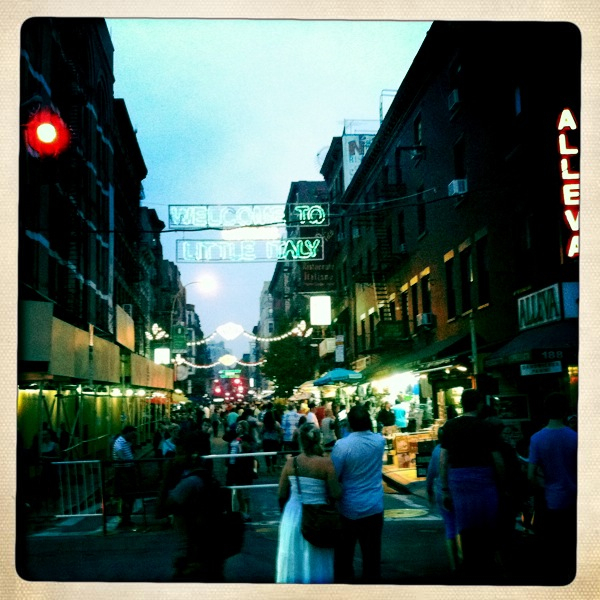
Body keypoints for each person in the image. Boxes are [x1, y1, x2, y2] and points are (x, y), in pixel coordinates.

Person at [439, 389, 505, 582]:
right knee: (488, 527)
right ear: (479, 404)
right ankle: (488, 567)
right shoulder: (486, 427)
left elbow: (443, 459)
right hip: (485, 480)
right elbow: (497, 459)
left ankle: (469, 568)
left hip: (458, 481)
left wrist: (445, 488)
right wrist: (502, 485)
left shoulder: (450, 426)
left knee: (466, 528)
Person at [276, 423, 342, 583]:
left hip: (294, 514)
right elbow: (336, 494)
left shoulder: (291, 463)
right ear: (318, 439)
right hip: (319, 515)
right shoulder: (326, 463)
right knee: (317, 558)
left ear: (300, 441)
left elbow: (281, 493)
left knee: (294, 555)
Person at [331, 404, 386, 583]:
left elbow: (334, 474)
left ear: (349, 423)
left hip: (349, 507)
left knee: (344, 557)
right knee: (372, 557)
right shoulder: (379, 441)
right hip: (374, 505)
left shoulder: (342, 445)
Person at [527, 392, 577, 584]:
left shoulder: (537, 439)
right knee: (571, 545)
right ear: (565, 410)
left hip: (550, 501)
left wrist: (543, 487)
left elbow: (531, 475)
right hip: (574, 499)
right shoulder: (574, 437)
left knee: (552, 546)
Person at [426, 428, 459, 572]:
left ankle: (454, 565)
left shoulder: (436, 451)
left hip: (442, 491)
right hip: (458, 490)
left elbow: (431, 473)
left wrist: (429, 490)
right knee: (461, 525)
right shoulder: (458, 449)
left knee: (450, 526)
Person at [226, 420, 255, 521]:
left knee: (244, 490)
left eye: (240, 426)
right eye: (237, 426)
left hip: (243, 467)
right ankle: (240, 510)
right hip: (232, 465)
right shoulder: (234, 437)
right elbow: (225, 437)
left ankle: (246, 512)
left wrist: (242, 444)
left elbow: (248, 450)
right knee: (237, 490)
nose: (238, 428)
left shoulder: (247, 438)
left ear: (244, 428)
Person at [112, 425, 138, 530]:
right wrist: (127, 462)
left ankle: (127, 518)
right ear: (127, 432)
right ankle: (124, 519)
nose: (133, 435)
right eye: (132, 433)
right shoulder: (119, 442)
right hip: (123, 472)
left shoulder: (127, 442)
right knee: (126, 495)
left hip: (128, 470)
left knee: (130, 496)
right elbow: (120, 454)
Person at [260, 408, 283, 473]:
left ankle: (268, 467)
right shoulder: (276, 423)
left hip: (266, 441)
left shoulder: (264, 424)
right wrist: (279, 437)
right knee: (274, 454)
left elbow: (261, 432)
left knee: (266, 454)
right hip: (274, 440)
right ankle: (273, 466)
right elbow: (280, 431)